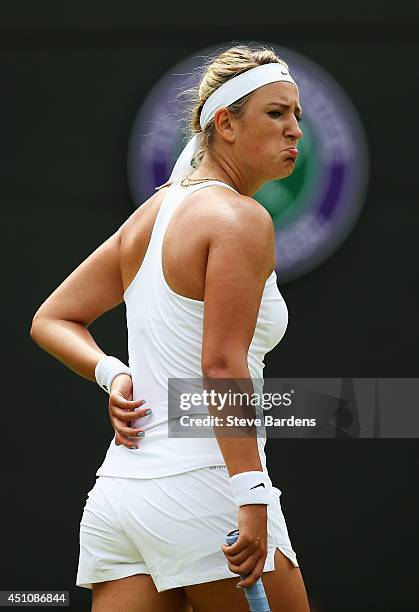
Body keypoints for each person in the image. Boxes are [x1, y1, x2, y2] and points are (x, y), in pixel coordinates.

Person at [30, 44, 310, 612]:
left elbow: (51, 319)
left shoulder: (151, 216)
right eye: (276, 114)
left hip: (121, 502)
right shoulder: (241, 218)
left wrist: (112, 375)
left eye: (297, 116)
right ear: (225, 124)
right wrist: (250, 496)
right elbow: (221, 366)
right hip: (205, 494)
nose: (294, 131)